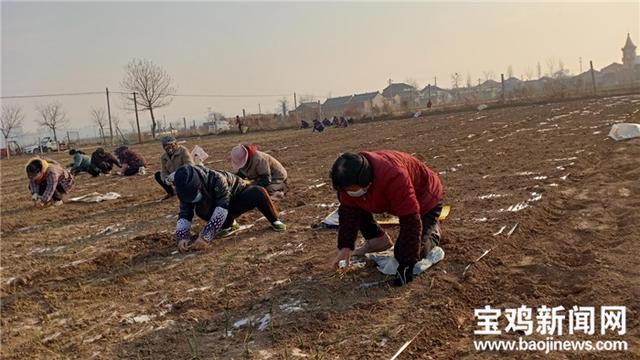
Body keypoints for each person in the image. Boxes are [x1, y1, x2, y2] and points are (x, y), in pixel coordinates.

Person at [330, 151, 444, 287]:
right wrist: (345, 247)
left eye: (353, 189)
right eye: (346, 190)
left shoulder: (394, 175)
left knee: (405, 253)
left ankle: (432, 232)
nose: (350, 192)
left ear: (367, 182)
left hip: (425, 201)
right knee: (352, 204)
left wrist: (406, 264)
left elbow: (410, 220)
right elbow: (348, 212)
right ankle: (377, 240)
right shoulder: (348, 181)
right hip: (391, 200)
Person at [173, 164, 286, 251]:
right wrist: (182, 237)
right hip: (219, 206)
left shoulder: (216, 179)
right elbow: (184, 213)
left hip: (236, 198)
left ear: (198, 184)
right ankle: (229, 226)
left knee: (258, 192)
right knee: (200, 210)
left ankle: (275, 220)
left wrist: (205, 237)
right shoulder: (183, 191)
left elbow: (222, 207)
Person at [155, 135, 194, 200]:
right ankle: (171, 192)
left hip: (184, 176)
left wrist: (178, 173)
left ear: (175, 144)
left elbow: (190, 165)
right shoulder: (164, 157)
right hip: (173, 178)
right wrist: (165, 179)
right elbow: (164, 171)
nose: (168, 148)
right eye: (165, 146)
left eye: (170, 145)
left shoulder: (183, 151)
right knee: (158, 175)